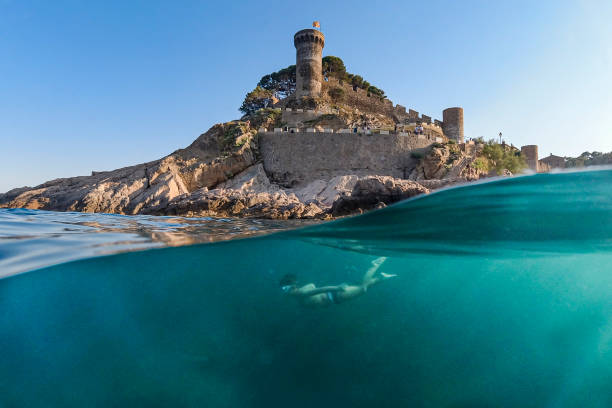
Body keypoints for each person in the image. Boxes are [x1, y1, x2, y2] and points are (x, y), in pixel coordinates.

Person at [279, 257, 396, 307]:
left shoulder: (301, 293)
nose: (285, 292)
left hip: (335, 295)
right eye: (283, 290)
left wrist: (338, 288)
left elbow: (321, 289)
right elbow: (312, 286)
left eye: (285, 289)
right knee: (362, 287)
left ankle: (374, 265)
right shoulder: (300, 292)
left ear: (291, 287)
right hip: (333, 298)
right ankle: (381, 277)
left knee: (362, 288)